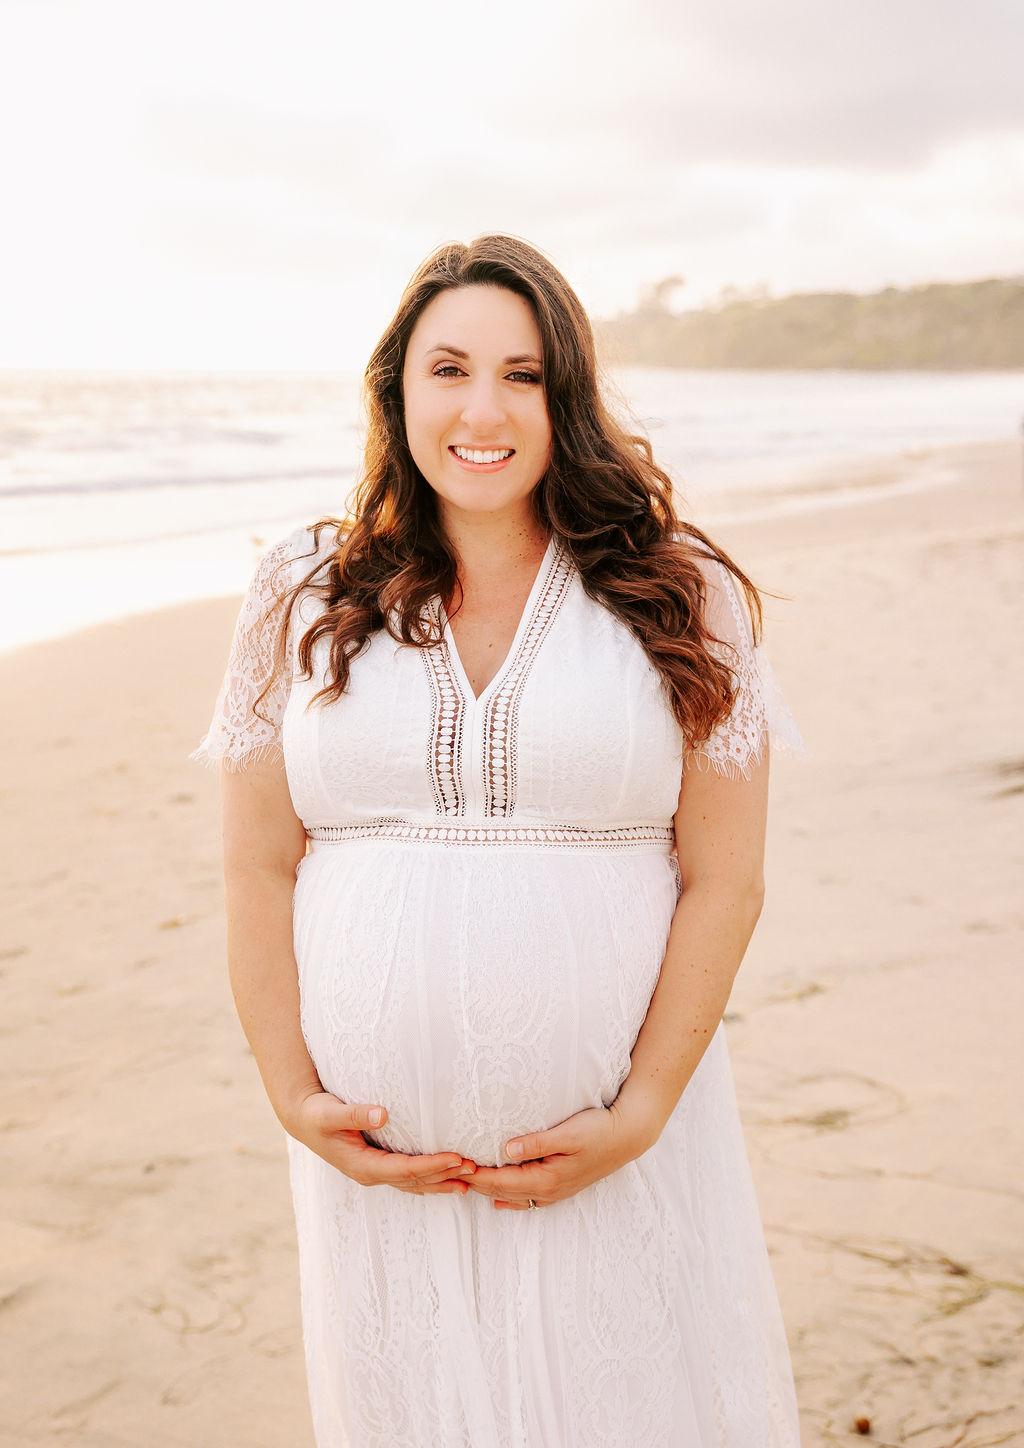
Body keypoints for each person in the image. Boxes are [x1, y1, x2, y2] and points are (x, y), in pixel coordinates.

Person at [193, 233, 804, 1447]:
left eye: (523, 376)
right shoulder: (300, 588)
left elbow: (724, 880)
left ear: (565, 398)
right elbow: (259, 863)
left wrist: (638, 1114)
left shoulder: (679, 595)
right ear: (397, 391)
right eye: (450, 368)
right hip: (378, 1171)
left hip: (616, 1149)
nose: (484, 409)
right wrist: (289, 1091)